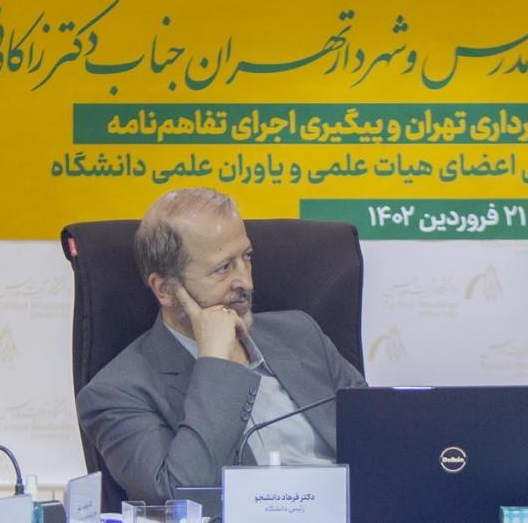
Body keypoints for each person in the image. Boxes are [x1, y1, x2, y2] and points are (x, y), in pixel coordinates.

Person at [77, 188, 365, 502]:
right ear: (165, 290)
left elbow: (378, 436)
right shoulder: (116, 393)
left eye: (247, 257)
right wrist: (215, 364)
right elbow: (178, 497)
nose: (246, 282)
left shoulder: (301, 333)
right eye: (223, 268)